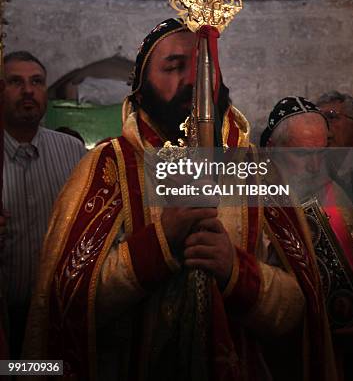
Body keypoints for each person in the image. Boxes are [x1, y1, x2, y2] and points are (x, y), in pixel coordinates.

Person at [25, 20, 336, 381]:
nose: (193, 80)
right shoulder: (108, 166)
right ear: (140, 91)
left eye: (203, 67)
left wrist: (235, 271)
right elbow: (68, 298)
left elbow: (300, 306)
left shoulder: (257, 171)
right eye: (173, 67)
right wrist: (161, 242)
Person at [260, 96, 353, 381]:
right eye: (303, 154)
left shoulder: (335, 193)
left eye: (323, 151)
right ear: (272, 149)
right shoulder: (257, 207)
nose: (315, 165)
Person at [2, 51, 86, 358]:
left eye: (36, 82)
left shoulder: (71, 151)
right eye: (15, 82)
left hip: (54, 316)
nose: (28, 90)